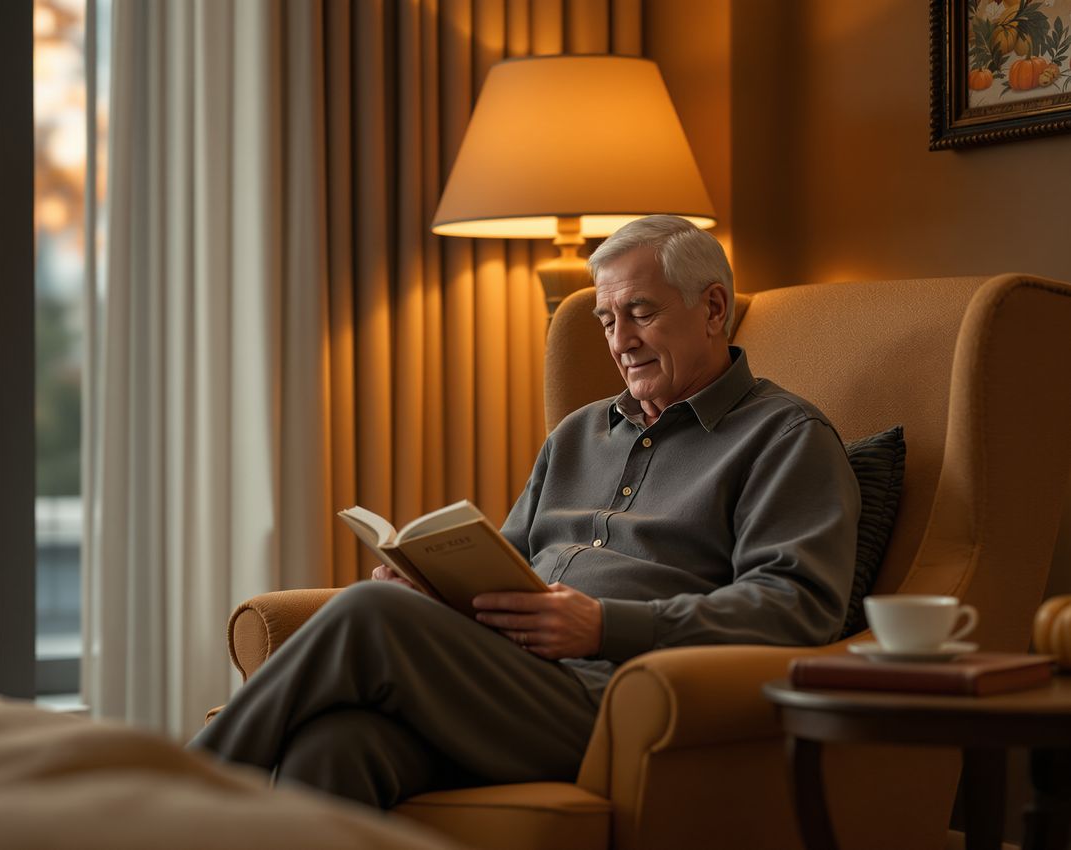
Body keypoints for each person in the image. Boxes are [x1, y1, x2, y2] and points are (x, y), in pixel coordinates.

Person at [191, 215, 861, 809]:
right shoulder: (576, 435)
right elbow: (502, 568)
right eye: (607, 319)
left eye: (641, 312)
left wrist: (605, 626)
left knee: (369, 616)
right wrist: (430, 591)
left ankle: (172, 794)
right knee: (336, 746)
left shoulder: (785, 438)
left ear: (713, 308)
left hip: (621, 703)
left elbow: (796, 607)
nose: (620, 340)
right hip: (509, 685)